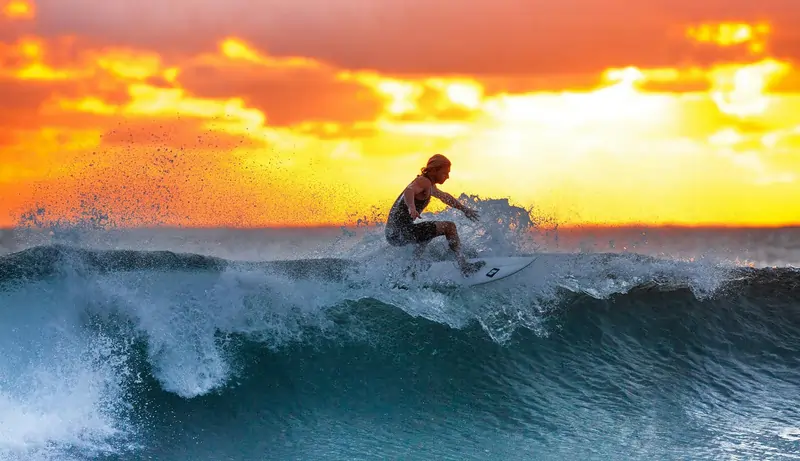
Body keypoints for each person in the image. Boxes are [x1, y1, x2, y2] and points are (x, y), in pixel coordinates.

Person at [385, 154, 485, 276]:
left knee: (428, 234)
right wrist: (411, 207)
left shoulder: (428, 184)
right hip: (400, 232)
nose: (447, 177)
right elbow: (409, 190)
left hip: (394, 234)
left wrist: (464, 209)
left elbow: (445, 197)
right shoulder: (423, 181)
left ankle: (411, 270)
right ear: (433, 170)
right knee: (449, 227)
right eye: (445, 173)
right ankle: (463, 265)